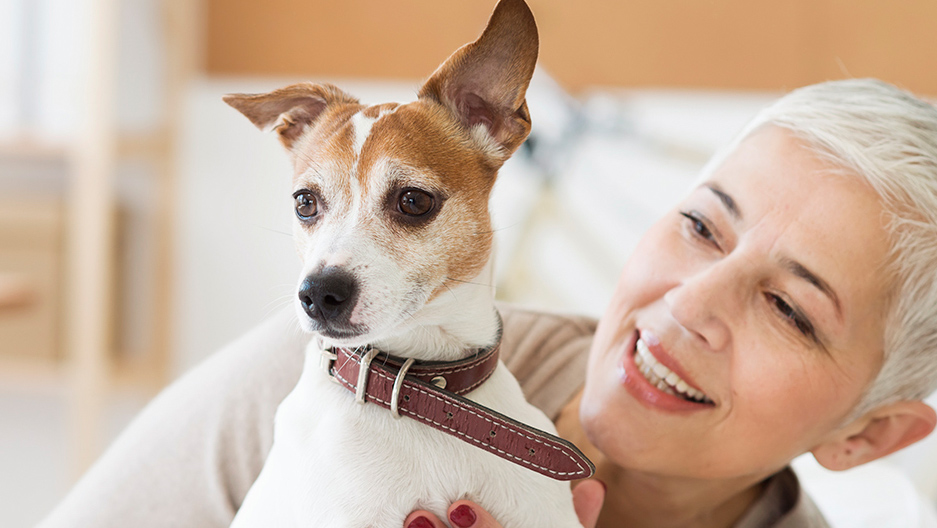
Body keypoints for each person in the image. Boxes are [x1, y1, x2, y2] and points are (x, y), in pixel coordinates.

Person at [39, 79, 937, 528]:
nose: (686, 303)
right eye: (702, 227)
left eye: (790, 309)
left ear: (867, 436)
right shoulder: (338, 363)